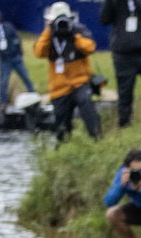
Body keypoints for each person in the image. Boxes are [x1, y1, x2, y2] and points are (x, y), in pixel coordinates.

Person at [34, 4, 102, 141]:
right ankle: (64, 146)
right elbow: (39, 52)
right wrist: (49, 30)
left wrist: (74, 35)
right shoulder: (49, 35)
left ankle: (97, 139)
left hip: (80, 82)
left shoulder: (79, 31)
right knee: (61, 124)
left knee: (87, 106)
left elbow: (90, 48)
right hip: (59, 87)